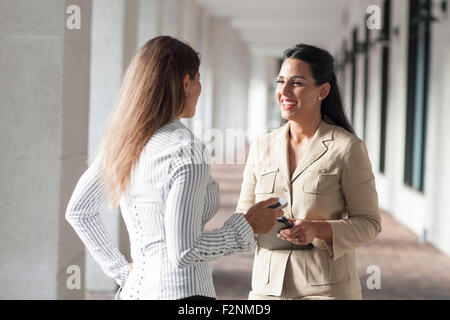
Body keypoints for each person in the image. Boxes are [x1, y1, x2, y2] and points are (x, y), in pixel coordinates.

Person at [65, 36, 283, 300]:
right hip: (184, 295)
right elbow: (185, 251)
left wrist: (121, 271)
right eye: (199, 78)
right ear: (186, 83)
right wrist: (246, 225)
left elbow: (79, 211)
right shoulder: (186, 150)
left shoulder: (123, 141)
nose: (201, 87)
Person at [236, 43, 382, 300]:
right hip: (266, 288)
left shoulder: (347, 148)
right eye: (281, 81)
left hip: (326, 289)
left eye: (297, 82)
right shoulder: (262, 146)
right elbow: (243, 213)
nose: (284, 91)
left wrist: (318, 229)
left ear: (322, 91)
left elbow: (369, 224)